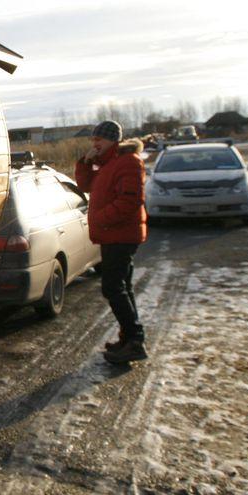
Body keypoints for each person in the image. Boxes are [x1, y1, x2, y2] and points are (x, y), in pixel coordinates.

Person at [74, 120, 149, 364]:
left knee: (113, 288)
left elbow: (130, 201)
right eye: (93, 139)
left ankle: (134, 340)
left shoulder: (129, 162)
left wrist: (101, 218)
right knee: (122, 287)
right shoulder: (107, 164)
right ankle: (130, 339)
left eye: (100, 140)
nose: (95, 143)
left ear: (114, 141)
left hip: (121, 235)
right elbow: (85, 185)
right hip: (112, 235)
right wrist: (85, 161)